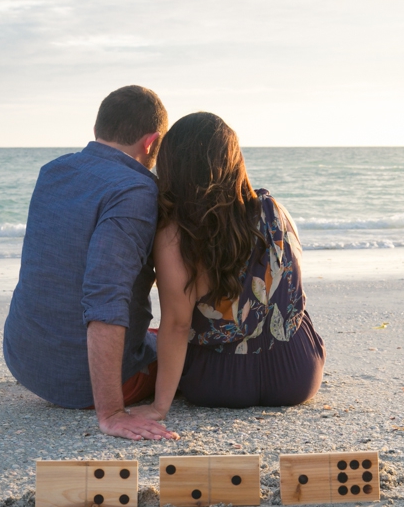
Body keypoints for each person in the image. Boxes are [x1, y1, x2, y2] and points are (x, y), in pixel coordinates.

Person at [3, 85, 178, 441]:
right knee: (188, 348)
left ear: (99, 129)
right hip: (83, 385)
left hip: (24, 362)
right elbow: (104, 298)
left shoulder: (52, 171)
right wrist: (112, 413)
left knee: (156, 336)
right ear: (151, 142)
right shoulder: (135, 190)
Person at [128, 112, 325, 423]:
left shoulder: (175, 236)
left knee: (169, 331)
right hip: (297, 375)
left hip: (218, 383)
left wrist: (159, 407)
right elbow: (293, 285)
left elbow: (177, 325)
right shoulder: (274, 210)